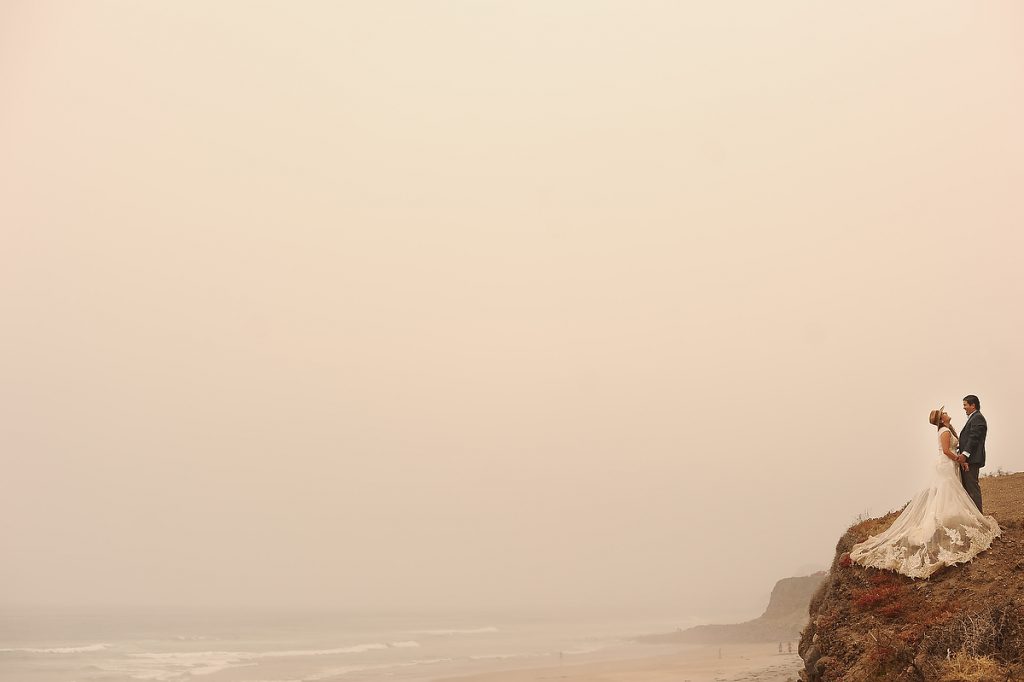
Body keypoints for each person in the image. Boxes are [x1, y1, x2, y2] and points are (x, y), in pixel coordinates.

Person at [848, 407, 1000, 578]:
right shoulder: (944, 431)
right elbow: (945, 451)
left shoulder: (947, 429)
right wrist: (959, 459)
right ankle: (943, 522)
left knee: (951, 495)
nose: (946, 412)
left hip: (950, 465)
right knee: (949, 493)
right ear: (941, 419)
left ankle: (951, 518)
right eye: (943, 413)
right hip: (946, 466)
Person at [958, 394, 987, 512]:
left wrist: (965, 455)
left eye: (965, 405)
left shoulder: (977, 418)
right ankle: (974, 516)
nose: (963, 407)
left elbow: (974, 438)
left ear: (973, 405)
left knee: (972, 488)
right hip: (970, 459)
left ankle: (978, 516)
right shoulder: (973, 418)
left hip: (972, 460)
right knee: (969, 489)